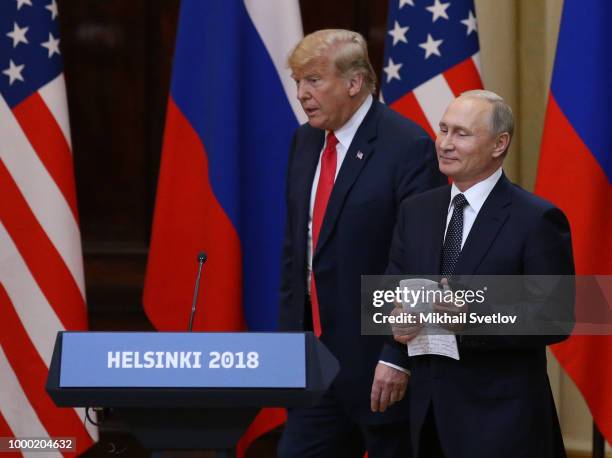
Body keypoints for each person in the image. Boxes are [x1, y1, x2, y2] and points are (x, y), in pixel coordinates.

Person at [277, 29, 446, 457]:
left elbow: (419, 262)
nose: (301, 93)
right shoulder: (305, 141)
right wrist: (287, 342)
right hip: (312, 363)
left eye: (313, 80)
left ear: (354, 83)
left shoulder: (407, 146)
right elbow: (299, 251)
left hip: (377, 365)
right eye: (298, 82)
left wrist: (396, 355)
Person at [387, 90, 574, 458]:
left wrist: (475, 318)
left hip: (501, 421)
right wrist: (394, 318)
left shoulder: (535, 219)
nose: (444, 143)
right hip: (427, 415)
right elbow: (393, 288)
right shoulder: (416, 211)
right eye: (443, 130)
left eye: (461, 133)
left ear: (499, 143)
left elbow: (555, 318)